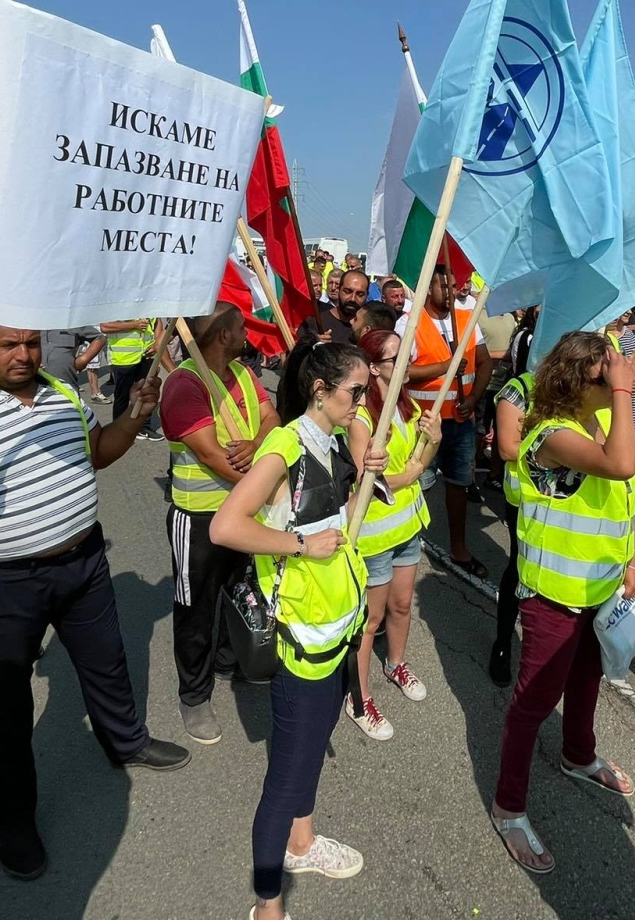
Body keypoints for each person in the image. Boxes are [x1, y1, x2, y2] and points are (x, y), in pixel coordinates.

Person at [0, 319, 186, 879]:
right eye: (8, 344)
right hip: (2, 585)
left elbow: (98, 453)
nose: (23, 354)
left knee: (107, 663)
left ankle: (126, 742)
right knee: (9, 709)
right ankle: (13, 818)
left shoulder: (63, 392)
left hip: (83, 563)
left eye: (32, 343)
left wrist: (136, 414)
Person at [211, 343, 386, 920]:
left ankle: (303, 845)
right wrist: (299, 544)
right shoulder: (285, 446)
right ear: (319, 389)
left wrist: (369, 473)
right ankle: (268, 906)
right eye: (355, 393)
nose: (363, 403)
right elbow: (225, 527)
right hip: (298, 637)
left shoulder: (330, 443)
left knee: (309, 755)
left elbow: (340, 522)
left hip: (333, 629)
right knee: (287, 776)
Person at [488, 332, 635, 873]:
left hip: (598, 587)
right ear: (581, 379)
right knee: (533, 703)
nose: (624, 376)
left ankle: (578, 753)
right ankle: (509, 806)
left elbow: (622, 495)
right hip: (554, 594)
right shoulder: (551, 432)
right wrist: (623, 394)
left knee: (586, 680)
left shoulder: (598, 424)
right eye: (607, 372)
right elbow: (620, 466)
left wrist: (632, 558)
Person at [158, 304, 279, 745]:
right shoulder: (184, 384)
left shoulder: (244, 374)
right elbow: (210, 454)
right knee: (196, 609)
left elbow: (272, 418)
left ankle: (231, 660)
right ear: (224, 335)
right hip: (200, 519)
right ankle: (194, 695)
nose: (248, 332)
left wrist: (257, 442)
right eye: (241, 326)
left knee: (243, 589)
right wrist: (263, 486)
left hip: (244, 514)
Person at [341, 328, 441, 739]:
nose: (406, 366)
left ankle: (396, 662)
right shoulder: (362, 417)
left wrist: (432, 439)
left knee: (402, 606)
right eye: (395, 359)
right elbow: (370, 482)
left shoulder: (404, 402)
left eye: (405, 357)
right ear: (375, 367)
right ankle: (359, 698)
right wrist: (416, 470)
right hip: (375, 537)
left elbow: (423, 453)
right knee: (371, 619)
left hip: (408, 528)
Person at [399, 265, 493, 576]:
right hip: (424, 423)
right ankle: (402, 545)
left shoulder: (466, 319)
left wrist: (472, 398)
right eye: (445, 286)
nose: (452, 291)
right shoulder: (409, 323)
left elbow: (484, 363)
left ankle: (458, 546)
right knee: (413, 483)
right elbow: (400, 372)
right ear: (428, 288)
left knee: (458, 485)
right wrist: (443, 367)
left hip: (460, 424)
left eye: (455, 285)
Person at [488, 357, 534, 686]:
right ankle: (503, 644)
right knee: (518, 569)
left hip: (565, 503)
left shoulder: (583, 390)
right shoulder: (519, 389)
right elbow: (506, 448)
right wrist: (561, 450)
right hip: (524, 501)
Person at [100, 316, 163, 440]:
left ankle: (143, 427)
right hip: (123, 358)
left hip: (146, 355)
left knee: (146, 393)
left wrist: (156, 344)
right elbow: (105, 326)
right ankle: (117, 430)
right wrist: (133, 325)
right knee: (122, 396)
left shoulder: (149, 305)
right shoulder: (119, 305)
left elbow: (157, 323)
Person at [298, 270, 369, 345]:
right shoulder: (314, 323)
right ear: (339, 290)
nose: (353, 299)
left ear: (367, 295)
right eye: (347, 291)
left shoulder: (370, 326)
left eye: (360, 294)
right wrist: (313, 345)